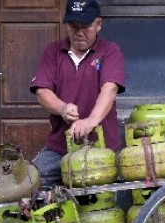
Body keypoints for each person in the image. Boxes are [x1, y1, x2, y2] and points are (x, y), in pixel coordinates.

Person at [29, 0, 126, 188]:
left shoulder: (109, 51)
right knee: (30, 183)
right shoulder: (53, 52)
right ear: (66, 25)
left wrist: (90, 121)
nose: (79, 32)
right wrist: (62, 108)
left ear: (98, 24)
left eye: (86, 26)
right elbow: (42, 91)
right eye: (74, 26)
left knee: (100, 205)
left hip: (102, 147)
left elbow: (110, 88)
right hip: (60, 149)